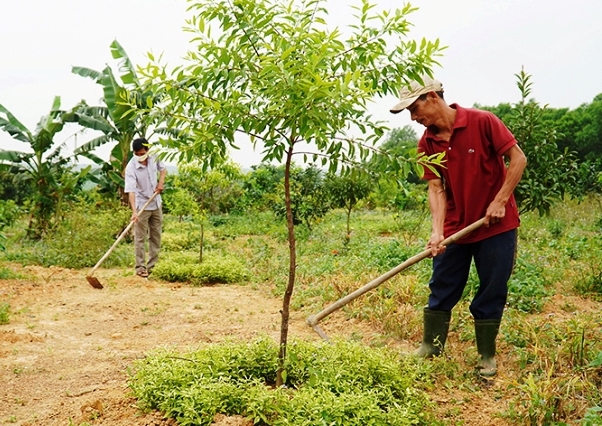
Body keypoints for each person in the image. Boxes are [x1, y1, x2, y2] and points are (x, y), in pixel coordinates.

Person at [390, 75, 527, 377]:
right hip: (456, 227)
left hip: (496, 225)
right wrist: (437, 231)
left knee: (492, 287)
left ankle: (486, 356)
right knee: (442, 284)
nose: (413, 118)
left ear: (433, 98)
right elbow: (436, 189)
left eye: (414, 109)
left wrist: (500, 200)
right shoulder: (426, 142)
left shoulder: (483, 121)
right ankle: (431, 346)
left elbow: (517, 159)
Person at [124, 137, 167, 278]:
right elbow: (131, 191)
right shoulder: (131, 167)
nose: (139, 156)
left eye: (141, 153)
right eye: (136, 154)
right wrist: (134, 212)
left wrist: (160, 183)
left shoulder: (154, 155)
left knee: (156, 236)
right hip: (142, 204)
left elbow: (163, 169)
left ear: (147, 150)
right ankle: (140, 268)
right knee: (140, 238)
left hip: (156, 202)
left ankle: (152, 267)